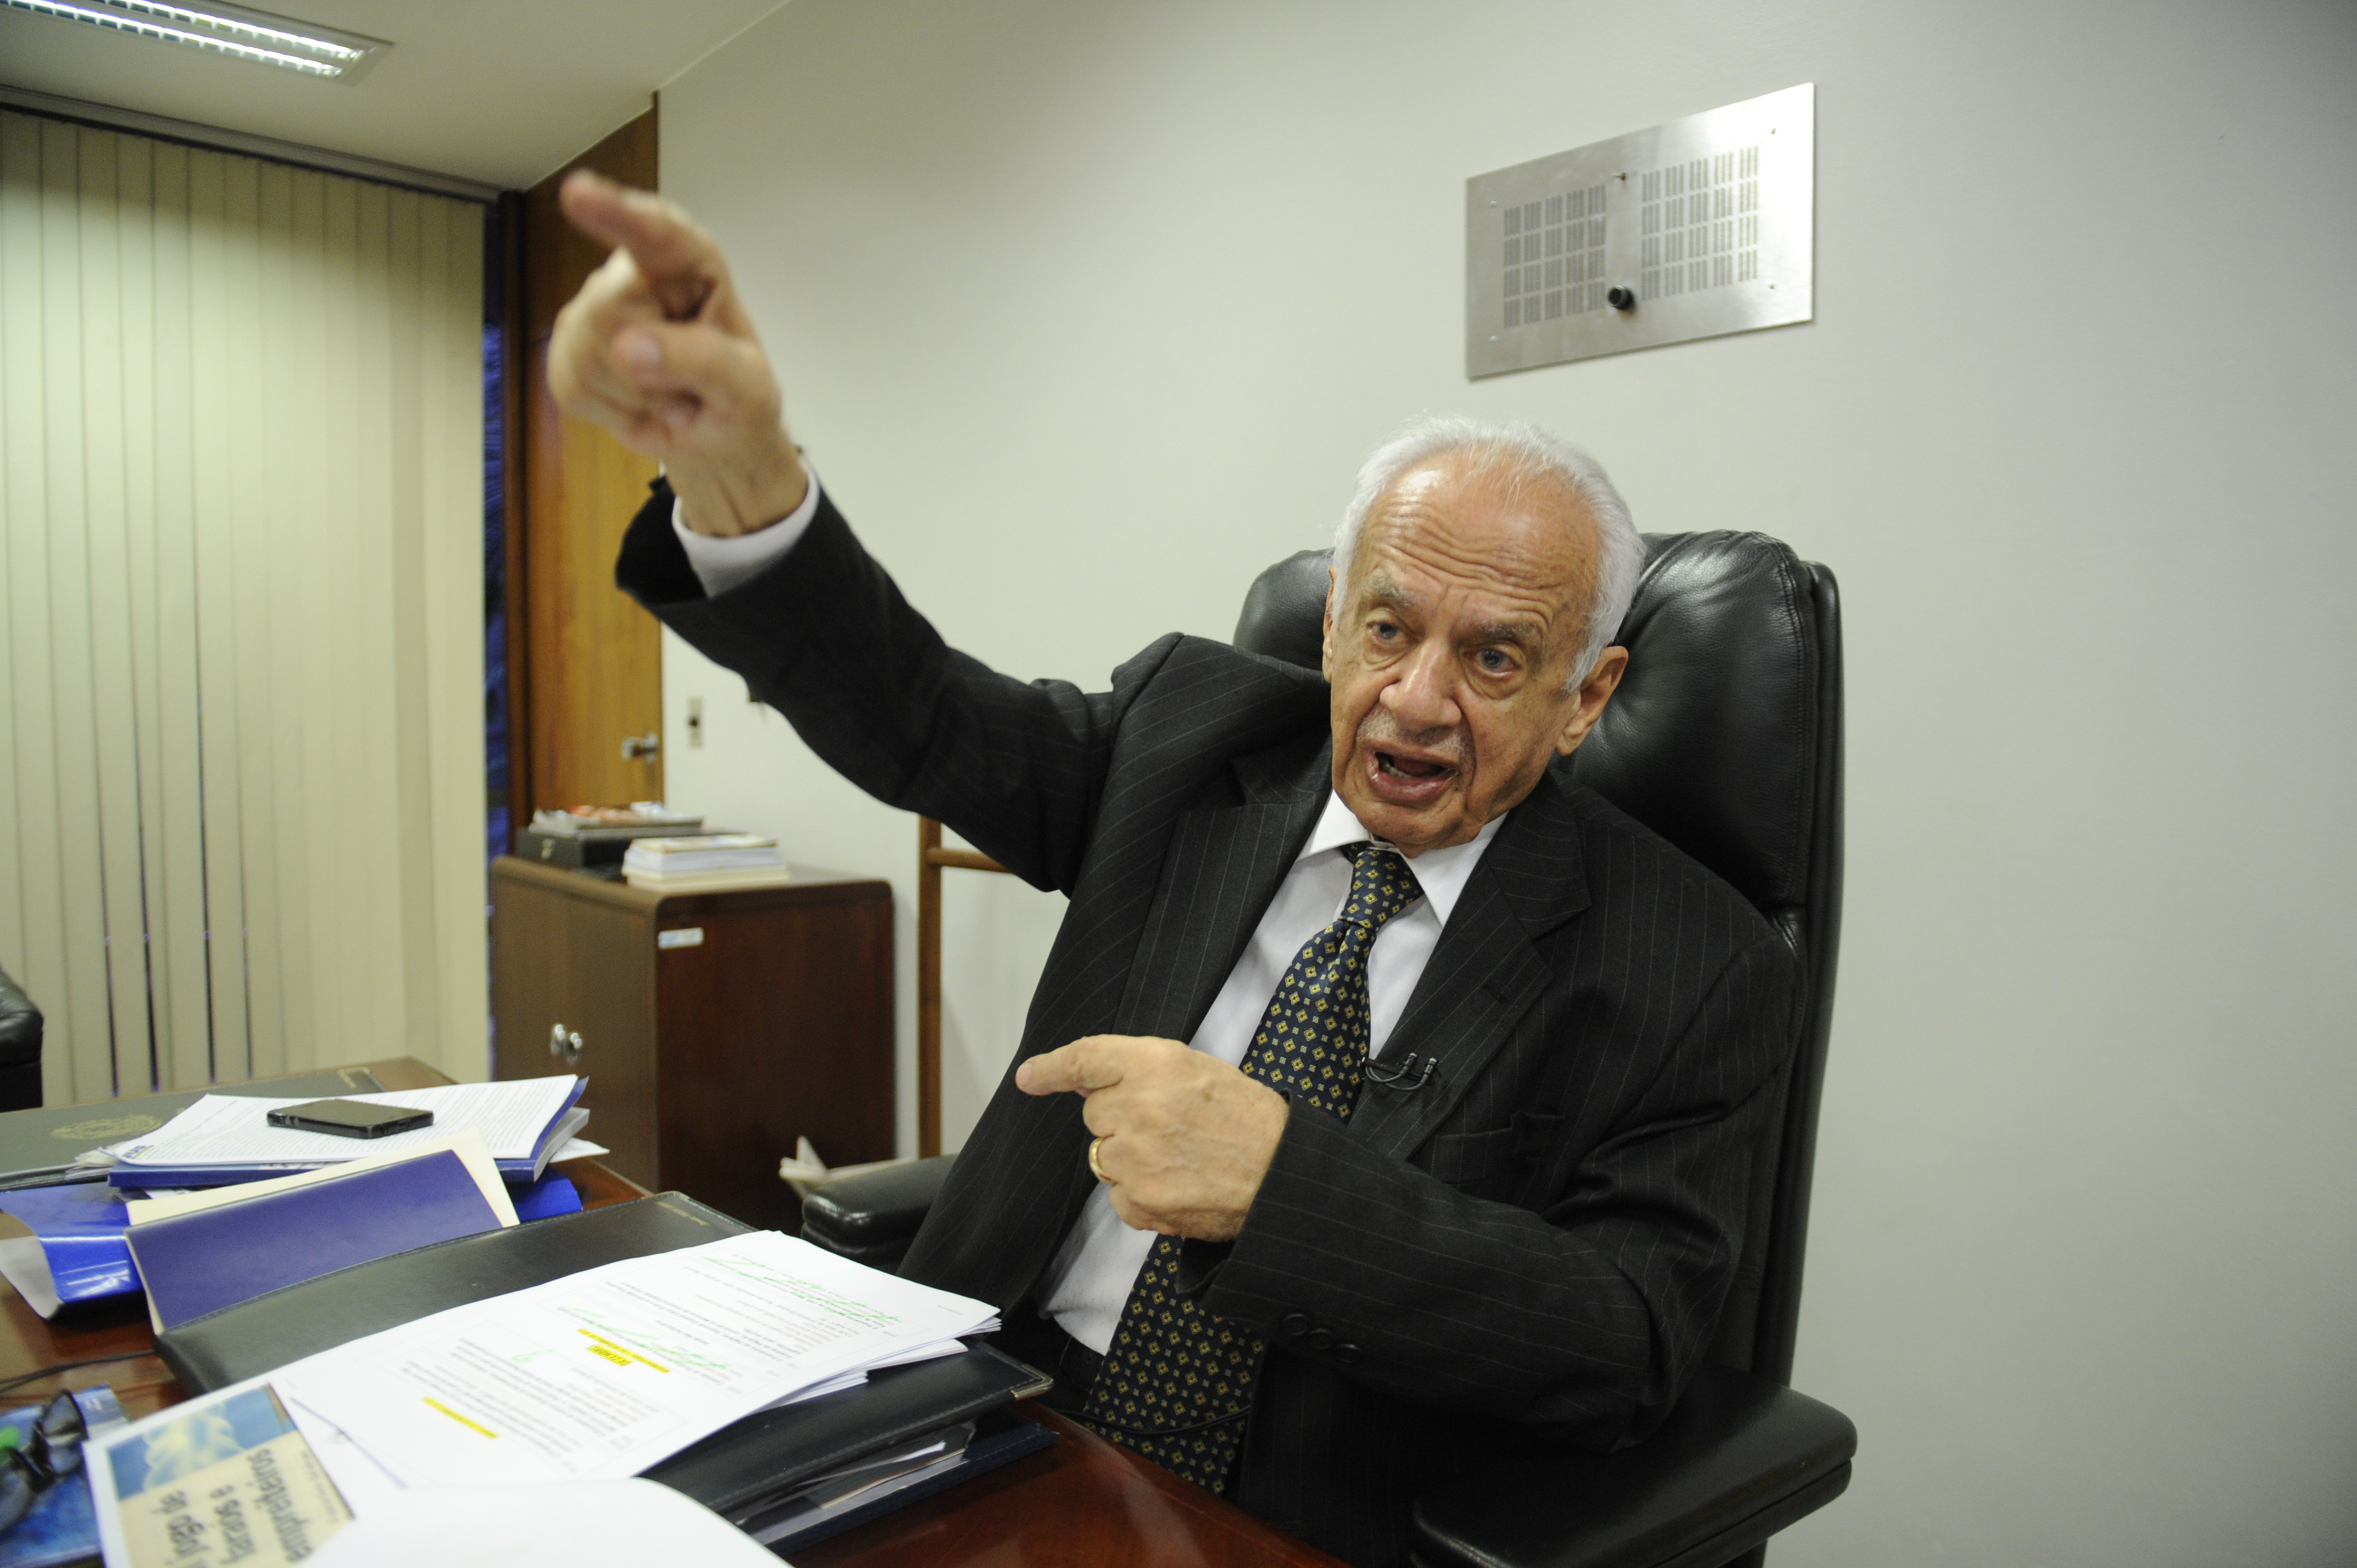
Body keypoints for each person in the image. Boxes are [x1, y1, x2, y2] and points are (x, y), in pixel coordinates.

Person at [548, 170, 1798, 1568]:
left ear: (1587, 697)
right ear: (1330, 623)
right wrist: (744, 480)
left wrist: (1286, 1190)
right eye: (1387, 630)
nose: (1416, 700)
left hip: (1304, 1509)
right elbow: (925, 716)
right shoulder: (1190, 741)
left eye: (1495, 657)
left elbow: (1627, 1339)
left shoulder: (1699, 963)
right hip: (982, 1420)